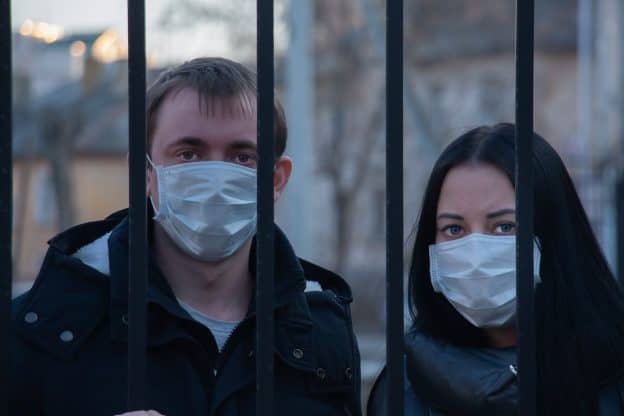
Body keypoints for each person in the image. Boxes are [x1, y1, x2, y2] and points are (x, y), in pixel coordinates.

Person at [11, 57, 361, 416]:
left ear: (276, 180)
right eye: (189, 154)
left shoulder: (322, 331)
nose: (215, 180)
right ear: (145, 174)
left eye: (242, 157)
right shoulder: (47, 325)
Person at [368, 123, 624, 415]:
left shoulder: (611, 380)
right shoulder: (405, 389)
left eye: (504, 226)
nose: (476, 255)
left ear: (554, 232)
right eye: (454, 229)